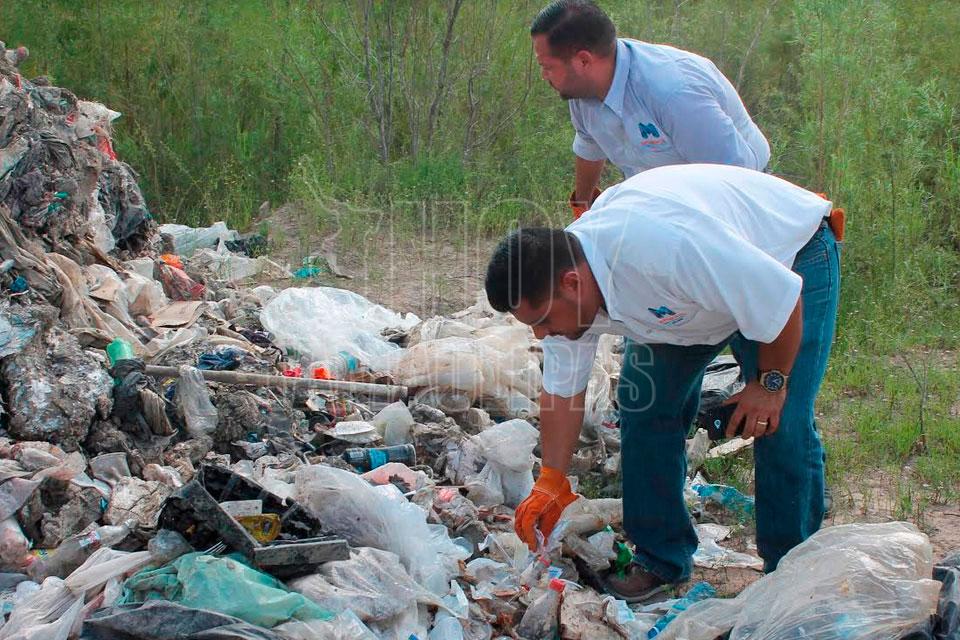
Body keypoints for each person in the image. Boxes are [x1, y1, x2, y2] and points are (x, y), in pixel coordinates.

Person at [484, 163, 841, 601]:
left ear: (572, 284)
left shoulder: (663, 251)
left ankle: (788, 579)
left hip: (788, 259)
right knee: (645, 405)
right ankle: (660, 556)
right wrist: (551, 480)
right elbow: (562, 394)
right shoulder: (565, 290)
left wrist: (770, 385)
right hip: (688, 306)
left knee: (780, 422)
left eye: (542, 321)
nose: (542, 335)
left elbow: (781, 299)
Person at [530, 0, 771, 218]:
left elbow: (736, 181)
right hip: (662, 200)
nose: (544, 75)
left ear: (584, 60)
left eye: (547, 67)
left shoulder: (674, 93)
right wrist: (582, 211)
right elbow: (589, 145)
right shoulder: (580, 88)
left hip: (737, 197)